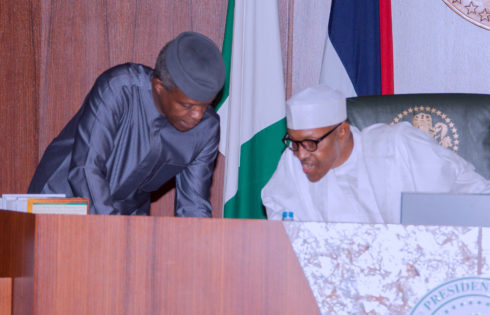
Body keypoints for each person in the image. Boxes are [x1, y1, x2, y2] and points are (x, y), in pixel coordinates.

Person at [28, 31, 226, 216]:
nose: (198, 115)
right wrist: (114, 233)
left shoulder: (206, 130)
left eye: (205, 105)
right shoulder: (119, 89)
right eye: (187, 105)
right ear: (159, 87)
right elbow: (87, 168)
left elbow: (193, 206)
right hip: (61, 201)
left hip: (126, 217)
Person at [261, 84, 490, 223]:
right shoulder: (291, 164)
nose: (301, 154)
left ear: (342, 131)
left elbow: (472, 195)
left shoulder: (398, 146)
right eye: (294, 142)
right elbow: (282, 230)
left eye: (311, 143)